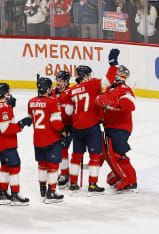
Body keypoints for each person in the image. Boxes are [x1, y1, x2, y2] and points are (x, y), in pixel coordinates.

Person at [65, 65, 112, 194]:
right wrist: (113, 65)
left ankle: (73, 183)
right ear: (86, 75)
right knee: (95, 156)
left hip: (77, 127)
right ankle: (92, 185)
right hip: (91, 126)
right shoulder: (92, 84)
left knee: (76, 156)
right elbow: (108, 80)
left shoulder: (71, 90)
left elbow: (68, 111)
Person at [95, 48, 137, 191]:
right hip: (110, 126)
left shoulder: (123, 88)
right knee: (109, 155)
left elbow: (130, 104)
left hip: (119, 127)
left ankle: (130, 180)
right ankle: (121, 175)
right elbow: (102, 101)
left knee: (117, 154)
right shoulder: (111, 89)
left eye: (117, 74)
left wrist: (112, 104)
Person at [0, 83, 30, 205]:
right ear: (5, 93)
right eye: (8, 91)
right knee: (14, 166)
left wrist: (9, 107)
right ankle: (15, 194)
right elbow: (6, 128)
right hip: (6, 142)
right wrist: (21, 124)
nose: (9, 93)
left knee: (4, 166)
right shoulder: (4, 108)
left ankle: (3, 193)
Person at [28, 77, 66, 203]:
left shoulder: (31, 102)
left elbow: (30, 119)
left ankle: (42, 189)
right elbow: (56, 123)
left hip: (37, 139)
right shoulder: (52, 102)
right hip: (51, 139)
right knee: (53, 166)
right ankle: (52, 192)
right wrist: (63, 132)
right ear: (49, 88)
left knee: (42, 165)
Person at [51, 71, 73, 188]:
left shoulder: (70, 93)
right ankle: (64, 171)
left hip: (68, 126)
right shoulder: (53, 91)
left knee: (63, 149)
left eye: (61, 81)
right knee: (58, 149)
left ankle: (65, 174)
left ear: (66, 82)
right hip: (57, 125)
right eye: (57, 80)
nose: (58, 83)